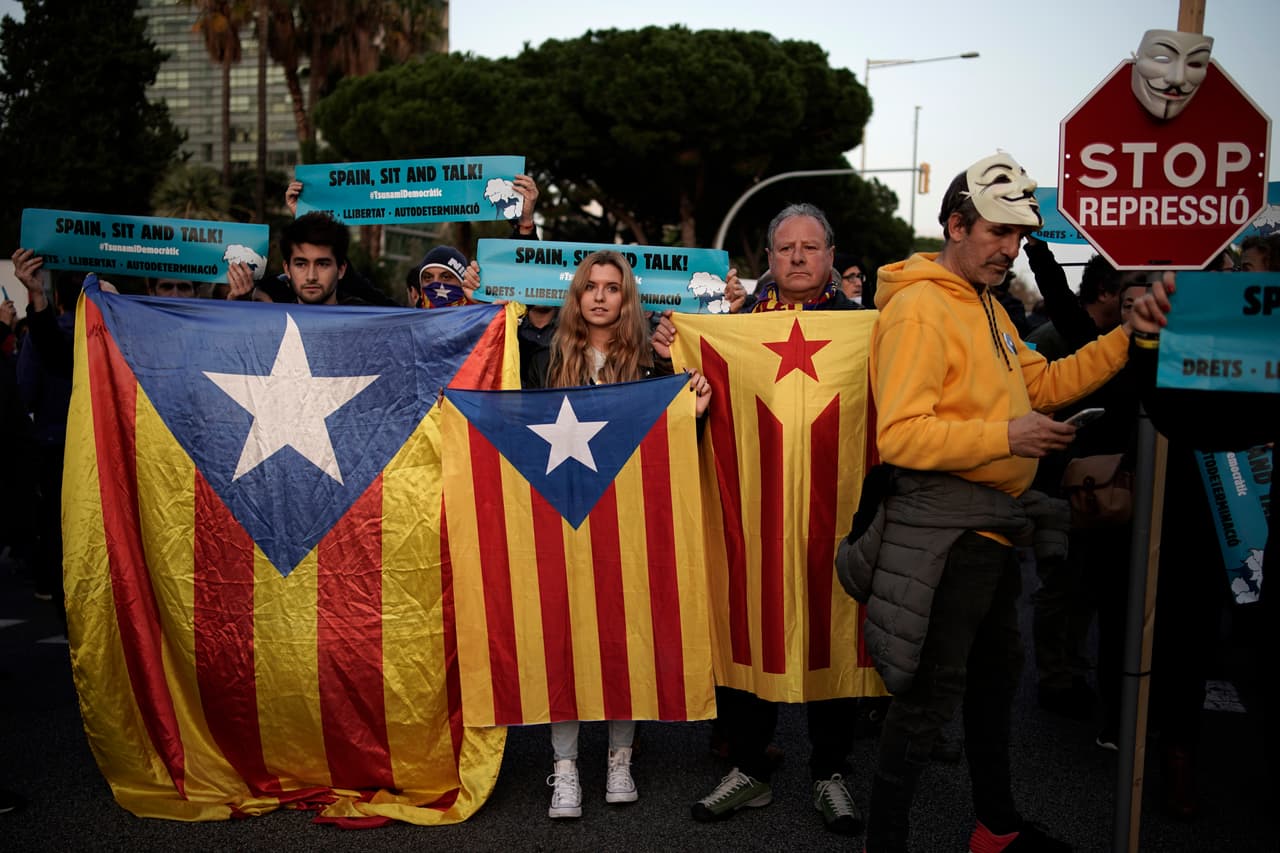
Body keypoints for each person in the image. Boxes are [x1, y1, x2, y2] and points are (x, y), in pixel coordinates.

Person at [850, 152, 1159, 853]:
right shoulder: (923, 308)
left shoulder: (986, 304)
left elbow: (1047, 382)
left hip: (990, 529)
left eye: (1020, 235)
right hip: (945, 533)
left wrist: (1128, 336)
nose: (1011, 248)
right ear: (956, 224)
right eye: (997, 231)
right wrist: (1008, 433)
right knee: (925, 705)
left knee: (994, 690)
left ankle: (996, 827)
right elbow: (900, 433)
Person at [655, 203, 868, 837]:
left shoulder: (870, 327)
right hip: (749, 514)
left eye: (810, 247)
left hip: (840, 511)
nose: (798, 258)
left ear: (831, 254)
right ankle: (748, 767)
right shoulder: (731, 326)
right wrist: (674, 356)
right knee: (749, 622)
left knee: (837, 626)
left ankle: (832, 772)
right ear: (768, 259)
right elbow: (691, 412)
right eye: (785, 248)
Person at [531, 249, 710, 819]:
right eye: (591, 285)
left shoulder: (653, 367)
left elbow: (671, 447)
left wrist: (694, 412)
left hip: (626, 520)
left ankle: (619, 759)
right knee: (564, 635)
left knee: (619, 635)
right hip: (560, 516)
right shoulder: (542, 359)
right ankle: (564, 768)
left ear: (626, 297)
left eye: (613, 286)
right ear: (577, 295)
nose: (601, 295)